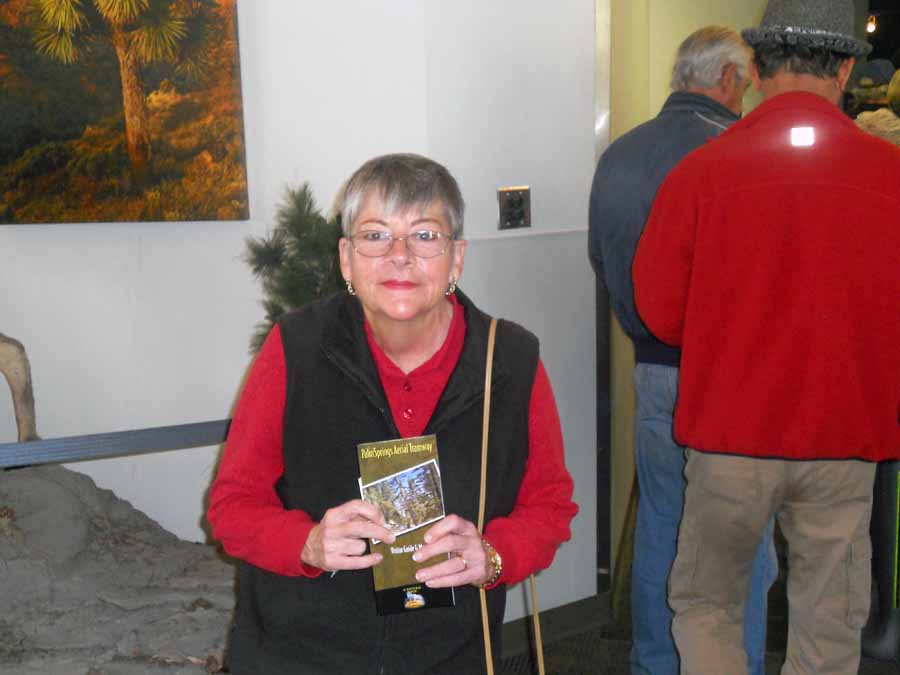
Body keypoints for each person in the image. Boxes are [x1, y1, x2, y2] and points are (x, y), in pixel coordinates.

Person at [207, 153, 578, 674]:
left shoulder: (510, 359)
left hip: (451, 653)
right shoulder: (296, 348)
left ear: (456, 258)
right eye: (376, 235)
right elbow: (232, 506)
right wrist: (307, 543)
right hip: (301, 653)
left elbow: (550, 505)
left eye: (425, 236)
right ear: (345, 259)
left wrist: (492, 556)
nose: (399, 256)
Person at [632, 1, 900, 673]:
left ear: (755, 68)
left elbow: (659, 312)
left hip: (729, 438)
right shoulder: (891, 177)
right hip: (846, 439)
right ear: (845, 68)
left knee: (710, 608)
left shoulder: (699, 174)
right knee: (829, 625)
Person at [588, 26, 777, 675]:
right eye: (748, 76)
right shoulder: (740, 155)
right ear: (727, 78)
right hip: (730, 382)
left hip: (653, 371)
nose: (751, 89)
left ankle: (654, 663)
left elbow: (601, 261)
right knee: (741, 548)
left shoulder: (619, 153)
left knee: (662, 531)